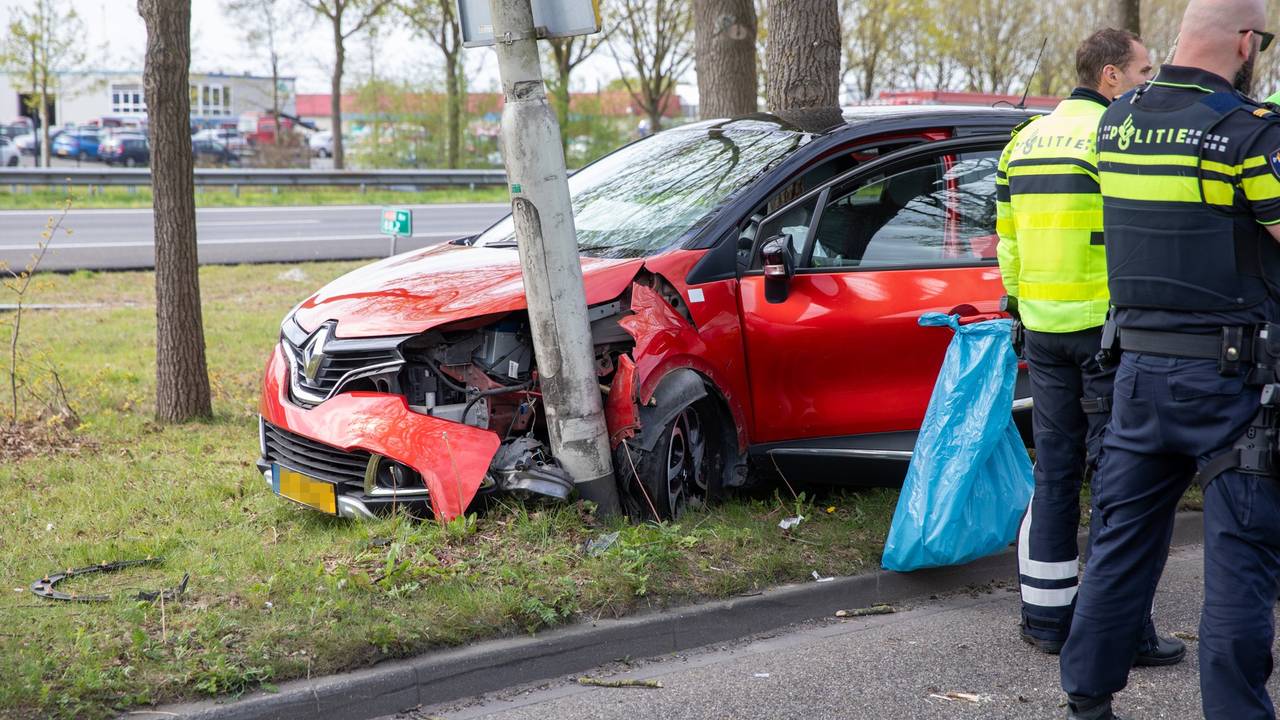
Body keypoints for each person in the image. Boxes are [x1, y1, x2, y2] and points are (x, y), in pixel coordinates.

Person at [1058, 0, 1280, 718]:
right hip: (1235, 384)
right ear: (1246, 43)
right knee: (1240, 564)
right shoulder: (1249, 134)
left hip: (1138, 379)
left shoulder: (1117, 124)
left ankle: (1087, 701)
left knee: (1120, 549)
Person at [996, 28, 1182, 665]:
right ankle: (1123, 632)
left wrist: (1022, 308)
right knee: (1118, 483)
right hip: (1107, 330)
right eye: (1143, 71)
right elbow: (1141, 235)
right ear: (1110, 76)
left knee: (1054, 473)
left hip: (1043, 329)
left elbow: (1008, 245)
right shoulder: (1113, 137)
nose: (1148, 82)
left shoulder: (1021, 141)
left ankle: (1045, 622)